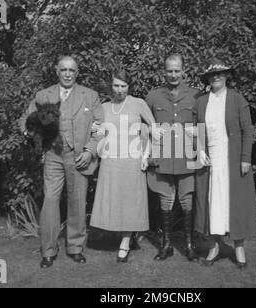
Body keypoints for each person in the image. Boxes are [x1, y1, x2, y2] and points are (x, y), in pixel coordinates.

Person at [19, 55, 104, 268]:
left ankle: (75, 247)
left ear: (77, 73)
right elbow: (25, 120)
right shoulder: (43, 95)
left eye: (72, 70)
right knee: (50, 200)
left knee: (77, 202)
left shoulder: (90, 96)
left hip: (79, 156)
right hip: (52, 156)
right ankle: (48, 250)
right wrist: (30, 132)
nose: (67, 74)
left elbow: (101, 128)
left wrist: (90, 151)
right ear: (57, 71)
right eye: (64, 70)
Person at [194, 57, 256, 268]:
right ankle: (215, 247)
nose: (216, 77)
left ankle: (239, 249)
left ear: (226, 76)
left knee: (236, 204)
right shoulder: (202, 101)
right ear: (208, 78)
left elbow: (248, 131)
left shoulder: (237, 99)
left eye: (220, 73)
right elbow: (197, 132)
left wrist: (245, 158)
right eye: (213, 74)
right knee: (212, 203)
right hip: (210, 161)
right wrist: (199, 150)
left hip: (232, 159)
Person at [90, 69, 155, 263]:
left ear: (129, 86)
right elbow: (99, 134)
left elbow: (153, 128)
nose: (119, 90)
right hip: (110, 161)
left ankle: (126, 242)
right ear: (111, 86)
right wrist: (95, 129)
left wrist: (146, 155)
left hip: (132, 161)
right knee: (114, 201)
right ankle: (120, 237)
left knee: (130, 203)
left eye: (123, 86)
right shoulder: (104, 107)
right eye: (116, 85)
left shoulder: (138, 104)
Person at [146, 54, 200, 262]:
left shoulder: (195, 96)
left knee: (187, 200)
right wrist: (149, 130)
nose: (173, 74)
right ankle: (166, 245)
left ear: (183, 71)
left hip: (187, 156)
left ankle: (189, 245)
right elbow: (141, 122)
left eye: (177, 70)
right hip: (163, 156)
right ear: (164, 72)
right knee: (165, 200)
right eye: (169, 70)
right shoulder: (154, 96)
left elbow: (203, 123)